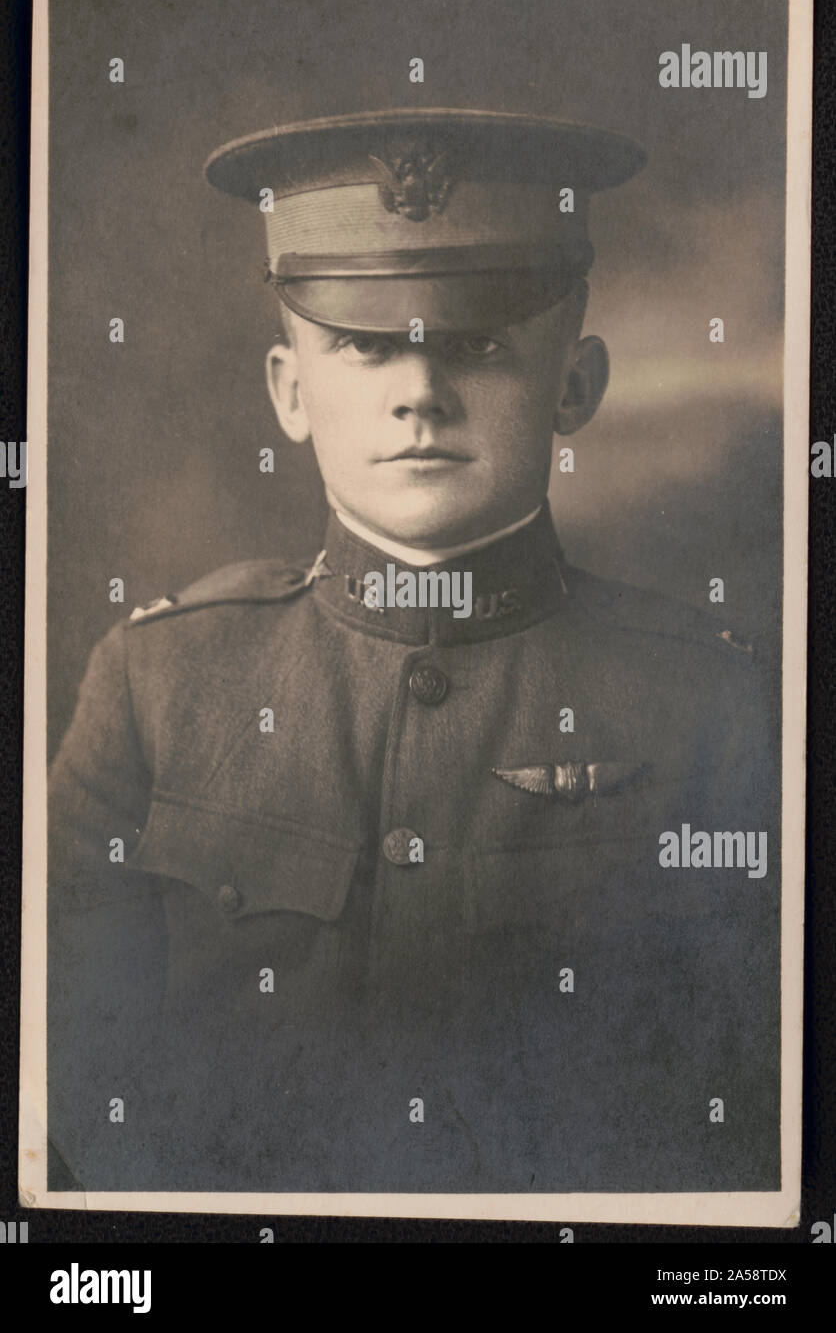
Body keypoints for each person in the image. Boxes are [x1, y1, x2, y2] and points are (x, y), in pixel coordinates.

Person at [47, 109, 779, 1194]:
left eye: (478, 342)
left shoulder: (714, 703)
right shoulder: (155, 686)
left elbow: (758, 1113)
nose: (418, 394)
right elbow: (78, 1104)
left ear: (573, 385)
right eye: (363, 342)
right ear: (289, 393)